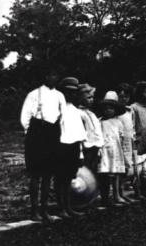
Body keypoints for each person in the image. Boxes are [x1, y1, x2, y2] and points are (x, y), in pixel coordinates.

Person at [20, 71, 65, 222]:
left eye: (55, 75)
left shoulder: (60, 96)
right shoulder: (34, 94)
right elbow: (25, 116)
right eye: (50, 74)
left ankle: (44, 210)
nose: (53, 77)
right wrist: (32, 133)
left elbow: (63, 116)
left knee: (48, 174)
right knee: (35, 174)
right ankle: (34, 211)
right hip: (37, 134)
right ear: (45, 76)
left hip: (53, 134)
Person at [56, 77, 87, 217]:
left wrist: (80, 154)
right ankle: (61, 207)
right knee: (60, 177)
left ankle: (68, 207)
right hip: (61, 147)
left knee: (69, 177)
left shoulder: (75, 111)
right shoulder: (57, 110)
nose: (70, 95)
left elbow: (79, 136)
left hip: (73, 148)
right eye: (67, 92)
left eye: (73, 92)